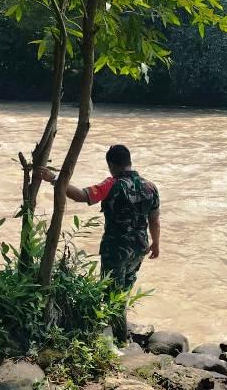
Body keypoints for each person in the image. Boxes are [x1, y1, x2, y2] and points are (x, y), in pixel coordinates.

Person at [35, 144, 160, 344]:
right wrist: (156, 243)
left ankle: (119, 340)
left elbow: (81, 196)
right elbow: (154, 219)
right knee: (124, 290)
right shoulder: (150, 187)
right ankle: (120, 334)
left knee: (112, 295)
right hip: (140, 247)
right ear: (129, 161)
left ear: (111, 164)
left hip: (116, 249)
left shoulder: (112, 184)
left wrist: (54, 178)